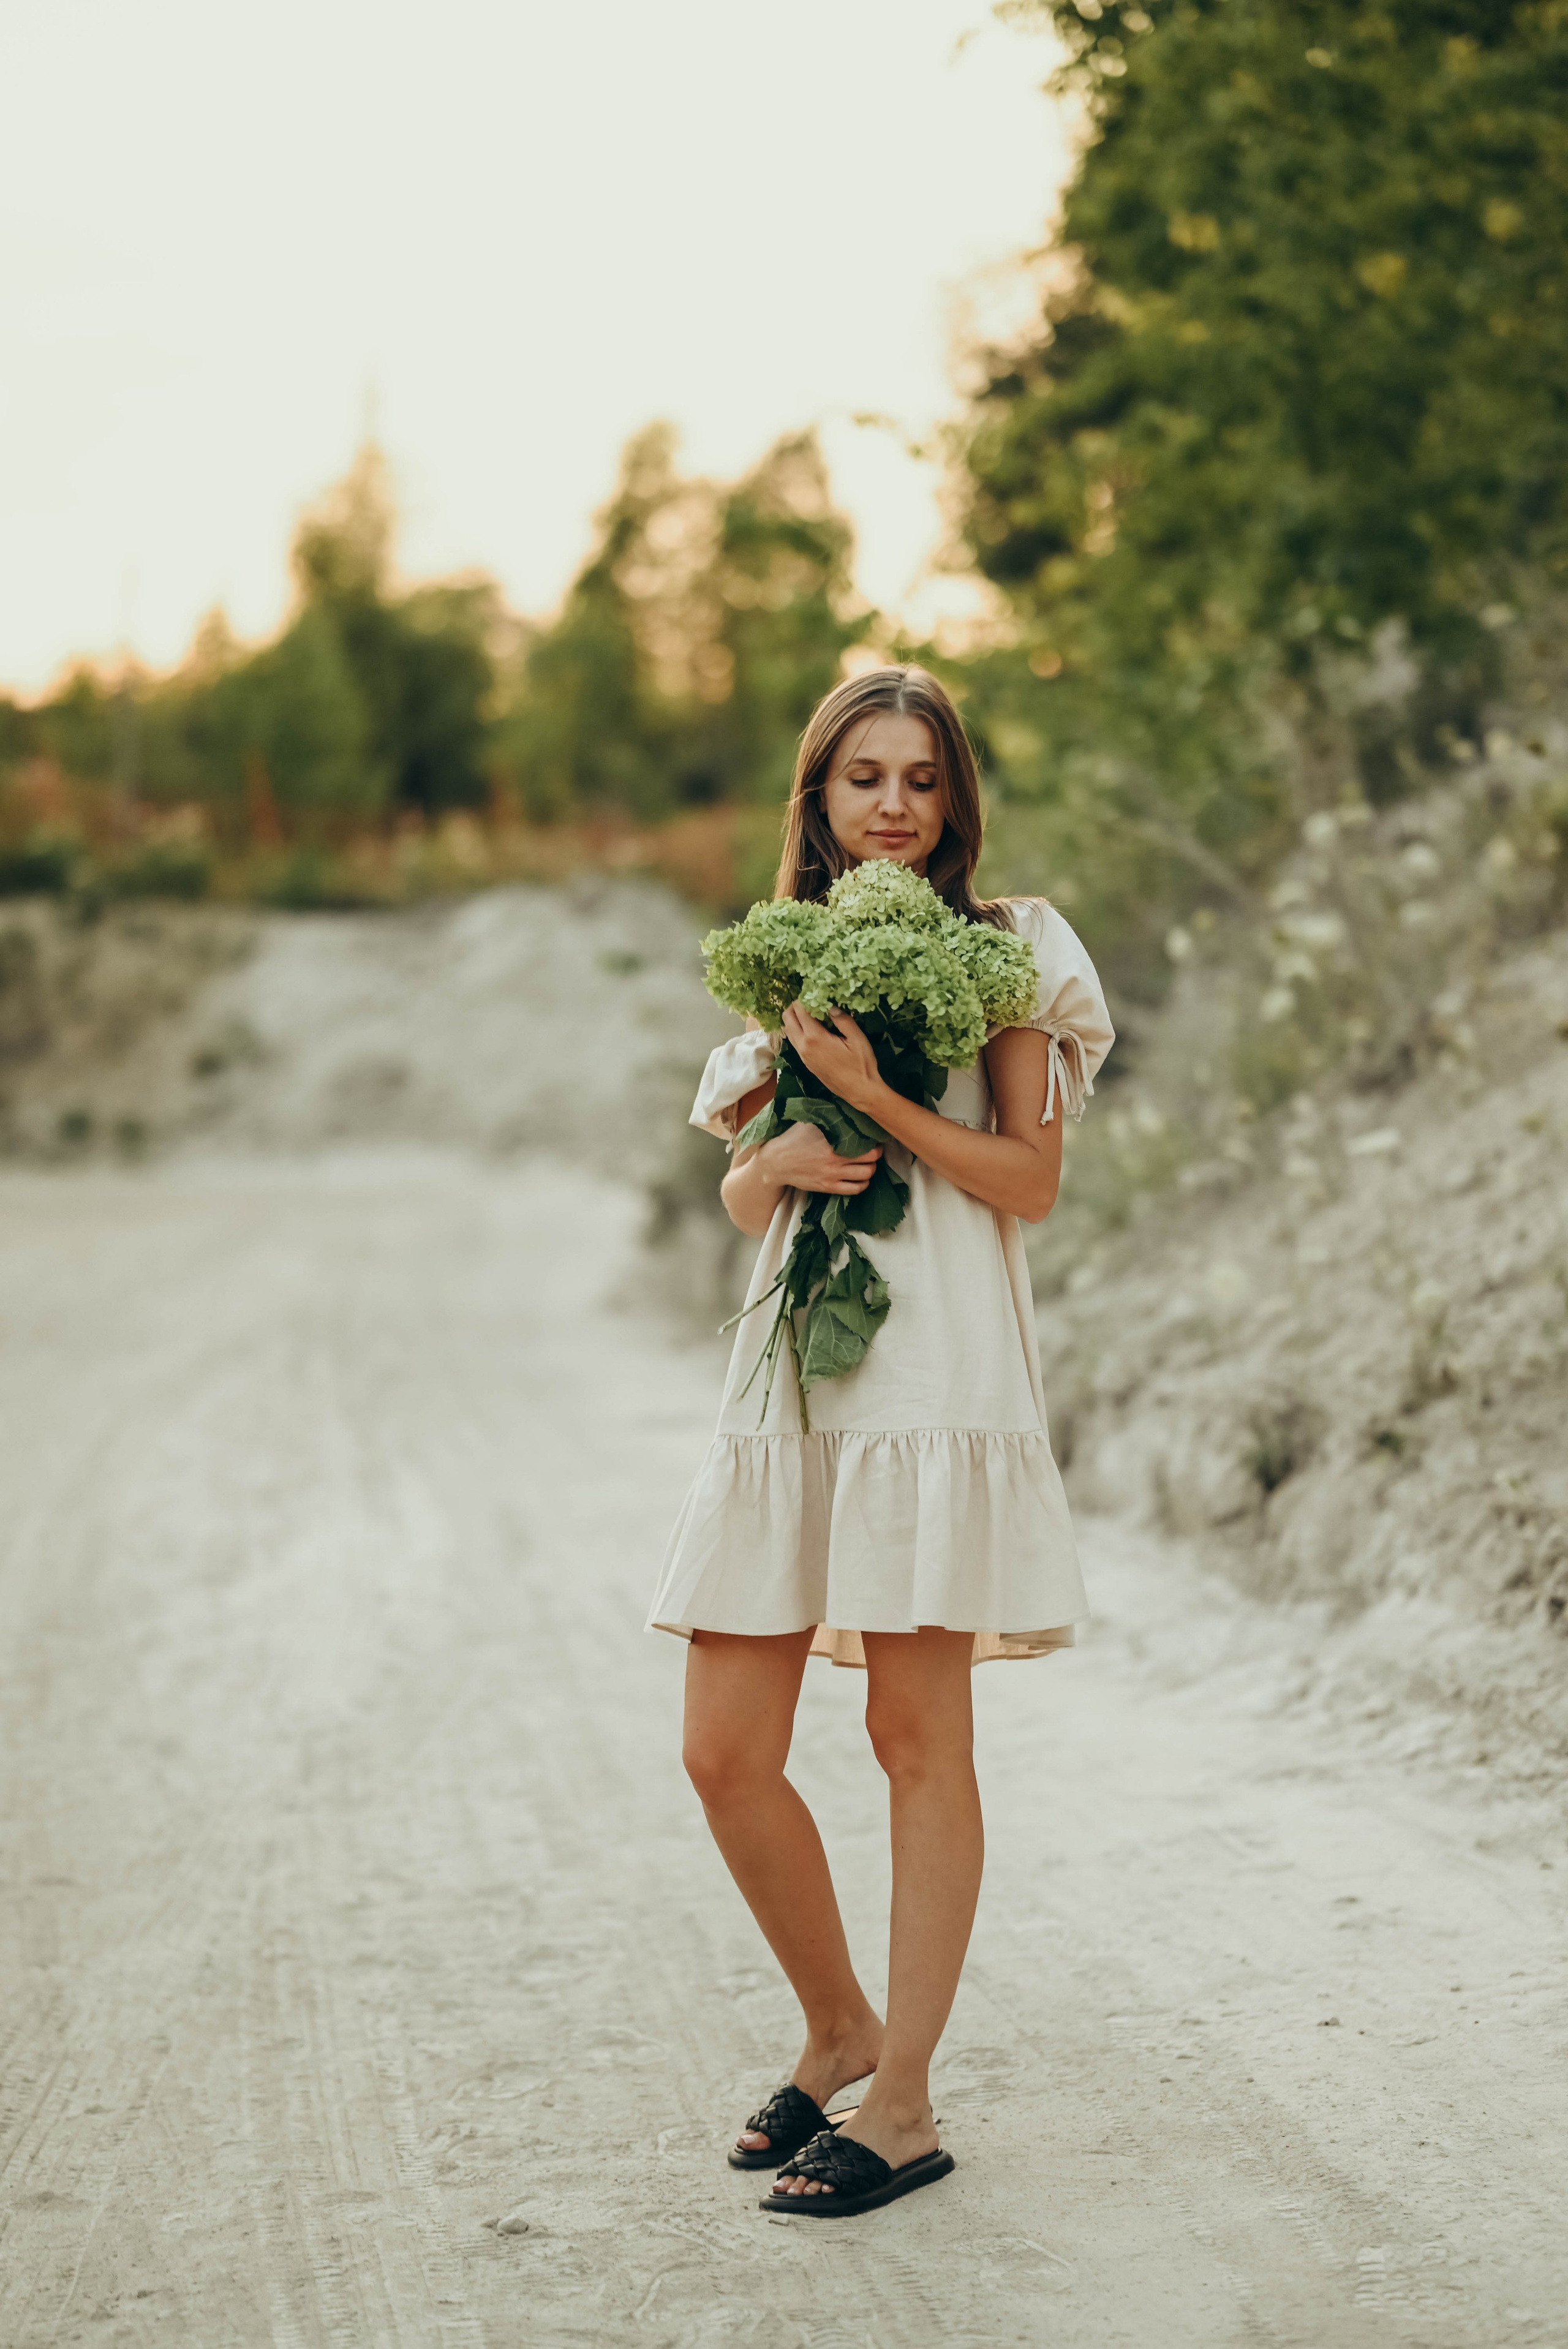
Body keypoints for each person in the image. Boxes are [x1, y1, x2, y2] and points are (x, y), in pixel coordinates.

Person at [646, 665, 1114, 2219]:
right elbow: (746, 1198)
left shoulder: (1010, 954)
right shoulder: (782, 963)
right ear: (819, 800)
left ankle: (903, 2101)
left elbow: (1024, 1181)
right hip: (794, 1378)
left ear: (955, 800)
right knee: (722, 1749)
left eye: (921, 777)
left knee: (916, 1739)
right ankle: (835, 2020)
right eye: (864, 777)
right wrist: (776, 1148)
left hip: (932, 1379)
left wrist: (869, 1094)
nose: (895, 805)